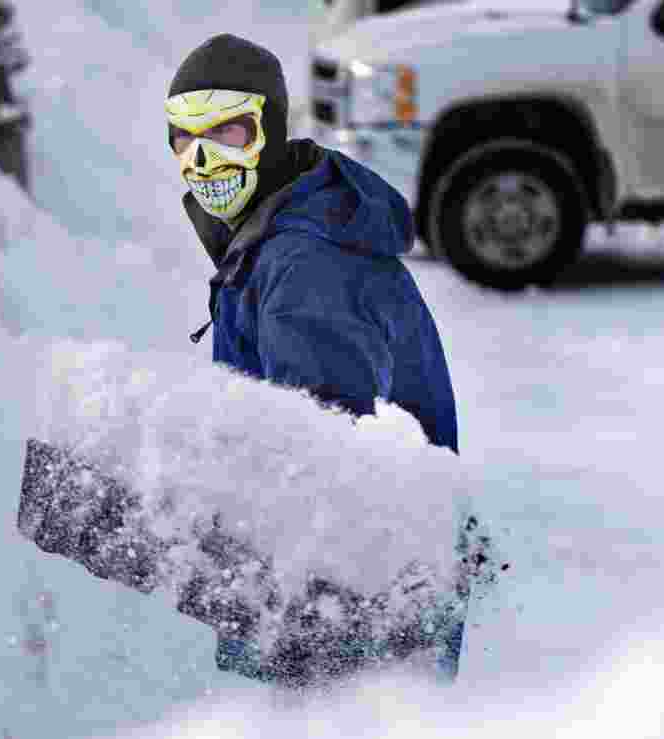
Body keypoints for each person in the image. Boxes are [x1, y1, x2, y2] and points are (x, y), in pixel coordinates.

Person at [165, 34, 462, 687]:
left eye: (228, 133)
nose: (204, 161)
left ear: (270, 131)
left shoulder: (304, 267)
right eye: (184, 140)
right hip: (355, 582)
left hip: (356, 599)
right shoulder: (280, 232)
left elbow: (323, 451)